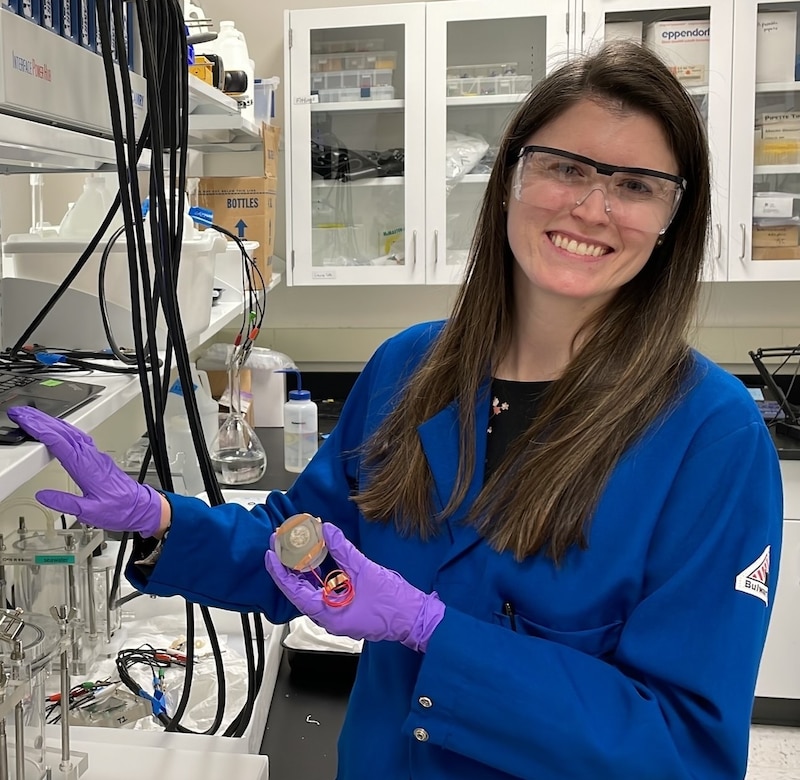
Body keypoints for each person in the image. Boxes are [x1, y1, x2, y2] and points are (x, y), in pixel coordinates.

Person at [8, 40, 782, 780]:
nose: (591, 206)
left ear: (673, 218)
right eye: (564, 167)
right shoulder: (411, 370)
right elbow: (303, 552)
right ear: (510, 176)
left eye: (636, 185)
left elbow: (684, 751)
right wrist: (160, 525)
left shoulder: (711, 436)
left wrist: (436, 634)